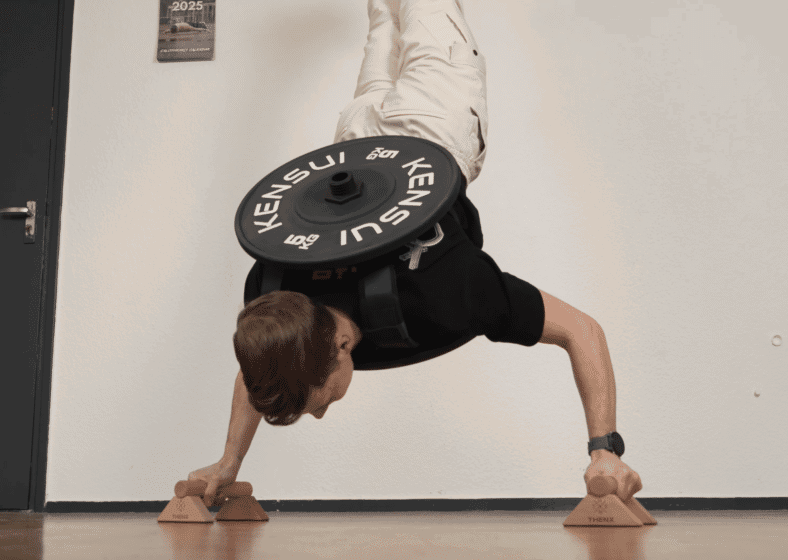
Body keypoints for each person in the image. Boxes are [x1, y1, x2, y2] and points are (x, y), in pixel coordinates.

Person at [188, 0, 643, 507]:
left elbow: (583, 330)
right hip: (358, 147)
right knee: (385, 11)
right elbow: (262, 364)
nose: (319, 414)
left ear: (341, 345)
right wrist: (228, 462)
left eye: (318, 403)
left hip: (434, 124)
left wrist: (606, 450)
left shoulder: (442, 292)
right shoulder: (273, 294)